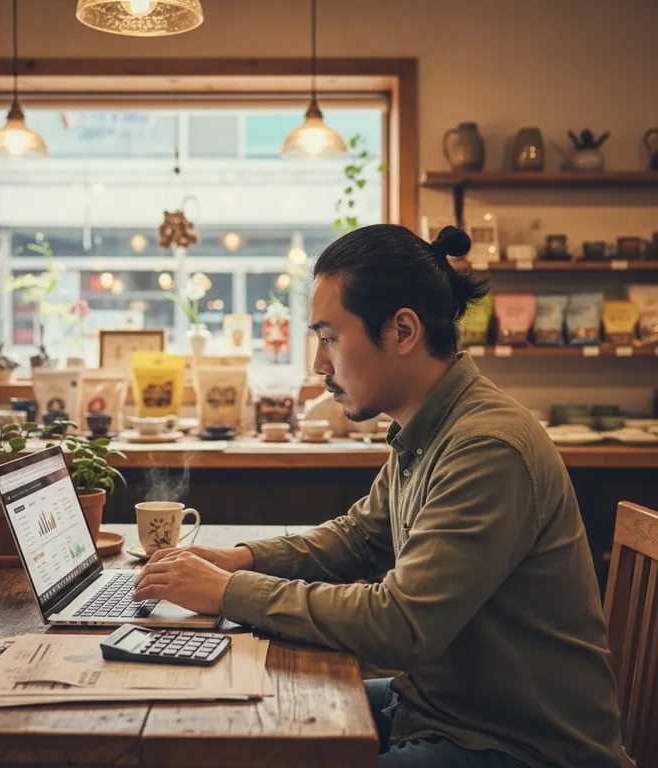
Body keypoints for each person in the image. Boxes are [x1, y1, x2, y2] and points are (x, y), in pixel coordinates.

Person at [133, 224, 622, 768]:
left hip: (516, 744)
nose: (320, 365)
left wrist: (229, 592)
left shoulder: (486, 446)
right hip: (439, 707)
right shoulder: (430, 425)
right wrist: (236, 560)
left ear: (403, 330)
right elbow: (359, 540)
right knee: (238, 720)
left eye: (330, 337)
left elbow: (400, 626)